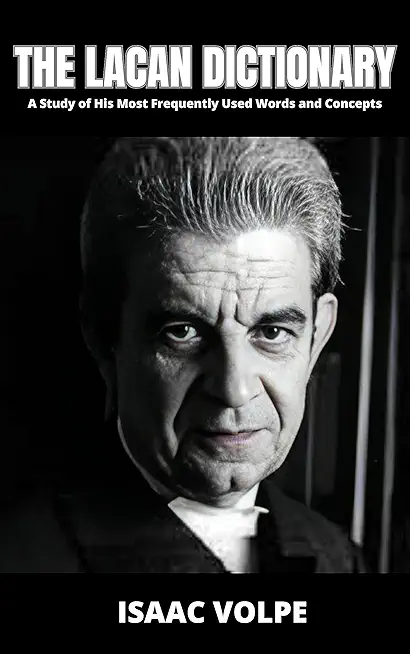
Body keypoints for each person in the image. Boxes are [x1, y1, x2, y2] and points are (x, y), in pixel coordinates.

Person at [0, 136, 366, 573]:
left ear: (317, 338)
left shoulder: (339, 559)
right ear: (103, 337)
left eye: (272, 332)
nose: (233, 390)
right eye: (183, 332)